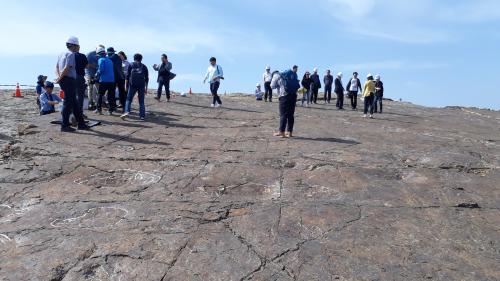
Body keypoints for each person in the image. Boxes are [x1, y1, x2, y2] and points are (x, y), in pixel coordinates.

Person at [55, 36, 90, 132]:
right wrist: (60, 78)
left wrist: (59, 77)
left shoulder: (61, 54)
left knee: (74, 103)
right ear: (74, 46)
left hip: (64, 80)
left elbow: (57, 67)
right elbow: (67, 68)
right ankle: (64, 125)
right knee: (68, 103)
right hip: (69, 80)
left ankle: (81, 124)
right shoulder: (71, 55)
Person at [272, 66, 300, 138]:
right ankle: (289, 132)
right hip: (293, 95)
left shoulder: (276, 76)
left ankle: (281, 132)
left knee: (283, 114)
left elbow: (272, 86)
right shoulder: (289, 74)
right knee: (291, 114)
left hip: (284, 96)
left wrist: (278, 85)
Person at [121, 53, 149, 121]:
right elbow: (147, 78)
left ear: (134, 58)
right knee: (141, 101)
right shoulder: (144, 66)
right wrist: (146, 88)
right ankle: (142, 116)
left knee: (128, 99)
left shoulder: (131, 64)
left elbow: (127, 76)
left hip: (132, 85)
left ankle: (127, 112)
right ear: (141, 59)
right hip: (141, 85)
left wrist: (126, 85)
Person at [95, 46, 116, 115]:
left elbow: (101, 69)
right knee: (111, 96)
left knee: (100, 95)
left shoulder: (101, 60)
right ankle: (110, 110)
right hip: (112, 80)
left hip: (104, 80)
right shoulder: (110, 60)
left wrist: (96, 74)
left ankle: (99, 109)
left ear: (99, 54)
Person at [85, 45, 102, 110]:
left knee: (98, 88)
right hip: (89, 73)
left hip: (97, 74)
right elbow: (86, 64)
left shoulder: (101, 54)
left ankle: (98, 102)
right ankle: (90, 103)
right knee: (90, 88)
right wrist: (95, 67)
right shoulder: (89, 54)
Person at [75, 45, 88, 116]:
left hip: (71, 77)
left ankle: (72, 112)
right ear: (79, 48)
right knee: (80, 96)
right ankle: (80, 113)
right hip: (80, 76)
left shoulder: (70, 55)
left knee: (72, 95)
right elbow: (87, 66)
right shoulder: (82, 56)